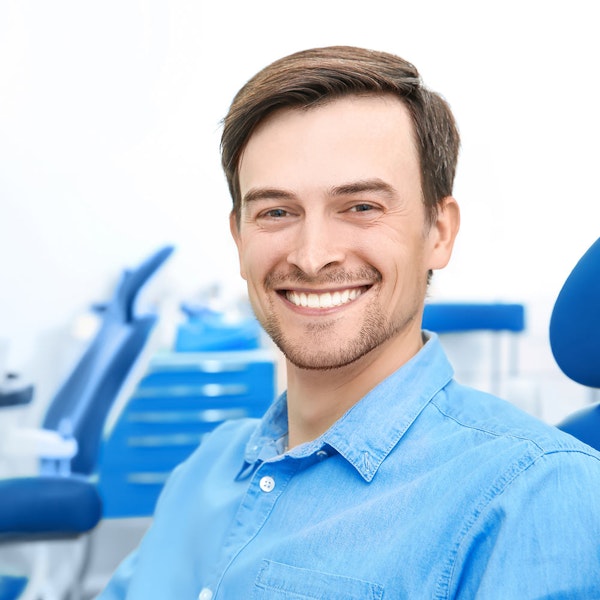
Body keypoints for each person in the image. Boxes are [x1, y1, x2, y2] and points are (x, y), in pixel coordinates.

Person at [99, 46, 600, 599]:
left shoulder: (538, 492)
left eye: (361, 206)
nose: (312, 257)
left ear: (439, 231)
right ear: (239, 239)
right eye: (276, 212)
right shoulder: (206, 467)